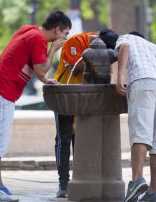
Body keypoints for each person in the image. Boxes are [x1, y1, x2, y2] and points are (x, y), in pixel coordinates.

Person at [0, 10, 71, 202]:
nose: (65, 38)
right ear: (57, 30)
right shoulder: (39, 40)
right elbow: (41, 67)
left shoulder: (29, 31)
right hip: (1, 93)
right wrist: (53, 50)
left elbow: (37, 69)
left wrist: (47, 80)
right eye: (65, 33)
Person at [100, 29, 156, 202]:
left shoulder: (125, 38)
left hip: (142, 83)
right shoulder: (152, 45)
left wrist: (120, 76)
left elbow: (124, 46)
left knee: (140, 134)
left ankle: (136, 180)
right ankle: (153, 192)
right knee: (155, 142)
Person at [53, 31, 98, 198]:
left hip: (82, 97)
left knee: (79, 139)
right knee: (63, 139)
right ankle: (63, 183)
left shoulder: (93, 46)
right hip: (64, 95)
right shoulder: (75, 42)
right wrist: (95, 59)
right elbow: (76, 68)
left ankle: (80, 179)